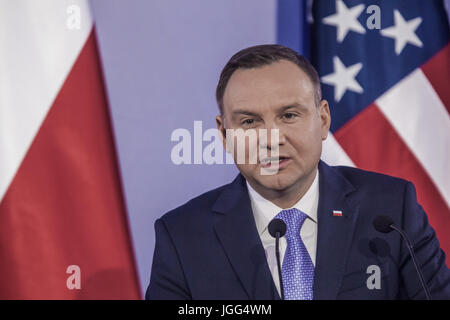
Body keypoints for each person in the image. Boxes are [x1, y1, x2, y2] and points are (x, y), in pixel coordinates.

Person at [146, 44, 450, 300]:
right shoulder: (183, 236)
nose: (271, 138)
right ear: (225, 135)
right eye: (249, 122)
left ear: (323, 119)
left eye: (289, 115)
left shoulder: (390, 210)